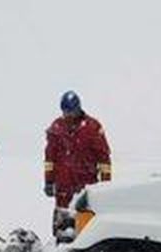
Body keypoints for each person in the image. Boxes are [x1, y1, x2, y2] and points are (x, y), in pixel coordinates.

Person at [44, 90, 112, 241]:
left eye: (71, 111)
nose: (68, 115)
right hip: (63, 188)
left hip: (85, 187)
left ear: (78, 108)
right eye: (65, 112)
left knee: (85, 229)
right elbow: (49, 159)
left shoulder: (92, 127)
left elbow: (104, 158)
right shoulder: (56, 128)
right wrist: (48, 181)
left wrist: (106, 185)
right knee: (62, 229)